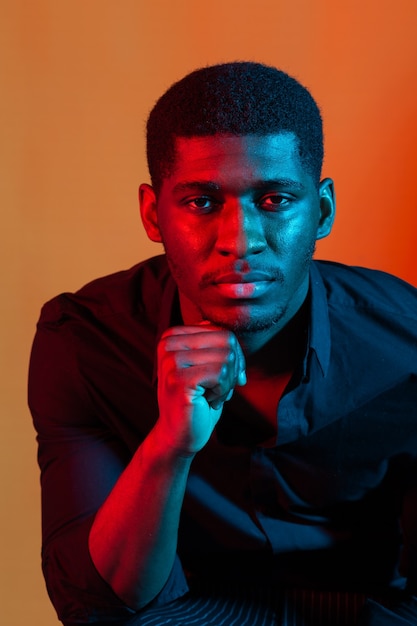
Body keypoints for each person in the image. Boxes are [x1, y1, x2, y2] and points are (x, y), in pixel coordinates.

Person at [28, 62, 417, 626]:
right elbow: (102, 599)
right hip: (186, 608)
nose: (240, 242)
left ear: (324, 210)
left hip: (365, 609)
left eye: (275, 199)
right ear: (151, 212)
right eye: (202, 202)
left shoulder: (404, 342)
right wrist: (169, 446)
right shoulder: (87, 340)